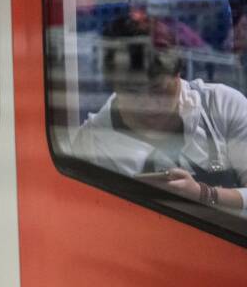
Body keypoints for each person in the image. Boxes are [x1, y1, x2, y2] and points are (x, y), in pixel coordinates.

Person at [71, 13, 247, 215]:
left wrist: (204, 195)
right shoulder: (92, 144)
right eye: (133, 92)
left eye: (157, 89)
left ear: (178, 72)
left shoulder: (223, 106)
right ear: (114, 86)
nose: (148, 104)